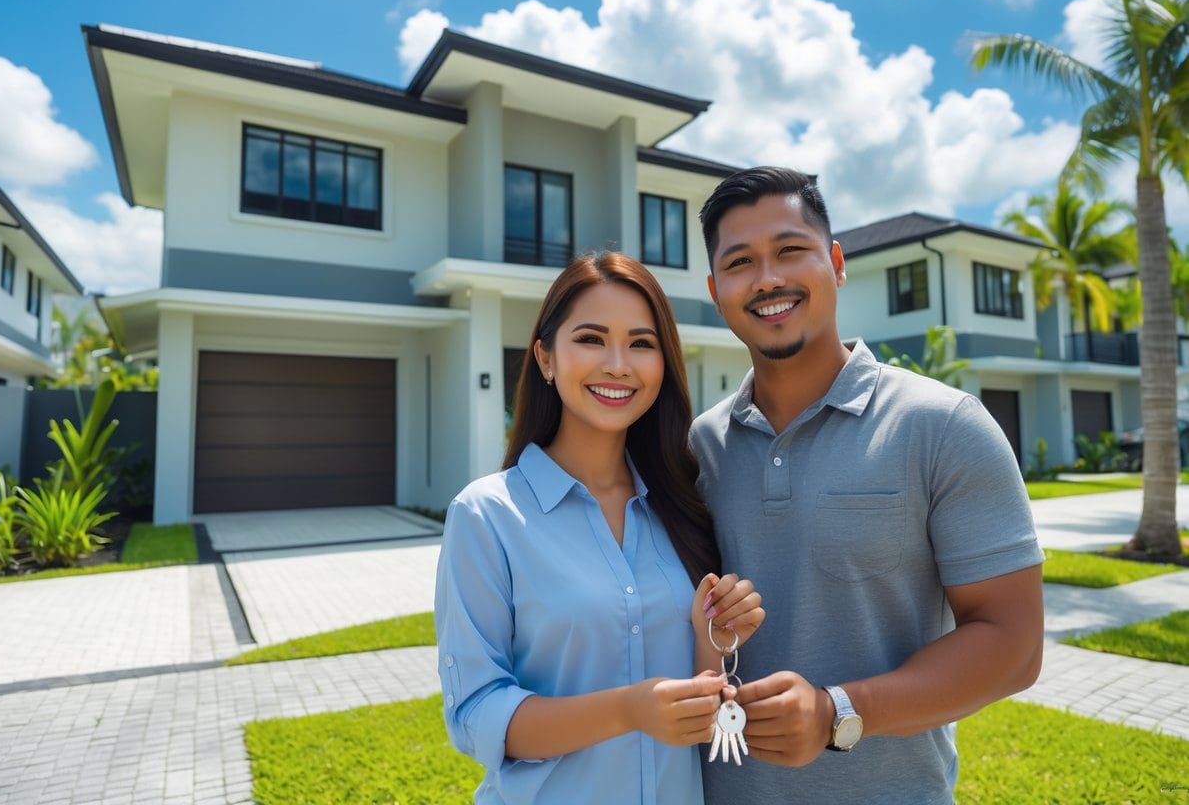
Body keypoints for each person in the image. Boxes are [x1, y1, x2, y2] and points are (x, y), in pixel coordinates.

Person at [690, 167, 1045, 804]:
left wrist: (838, 713)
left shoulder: (944, 426)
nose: (768, 278)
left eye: (790, 250)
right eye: (740, 262)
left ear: (835, 262)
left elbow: (1014, 646)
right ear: (716, 292)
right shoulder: (700, 448)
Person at [435, 252, 765, 805]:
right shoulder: (486, 516)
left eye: (641, 343)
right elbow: (475, 713)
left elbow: (692, 710)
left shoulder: (682, 505)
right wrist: (627, 709)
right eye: (590, 339)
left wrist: (715, 640)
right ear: (545, 357)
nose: (618, 364)